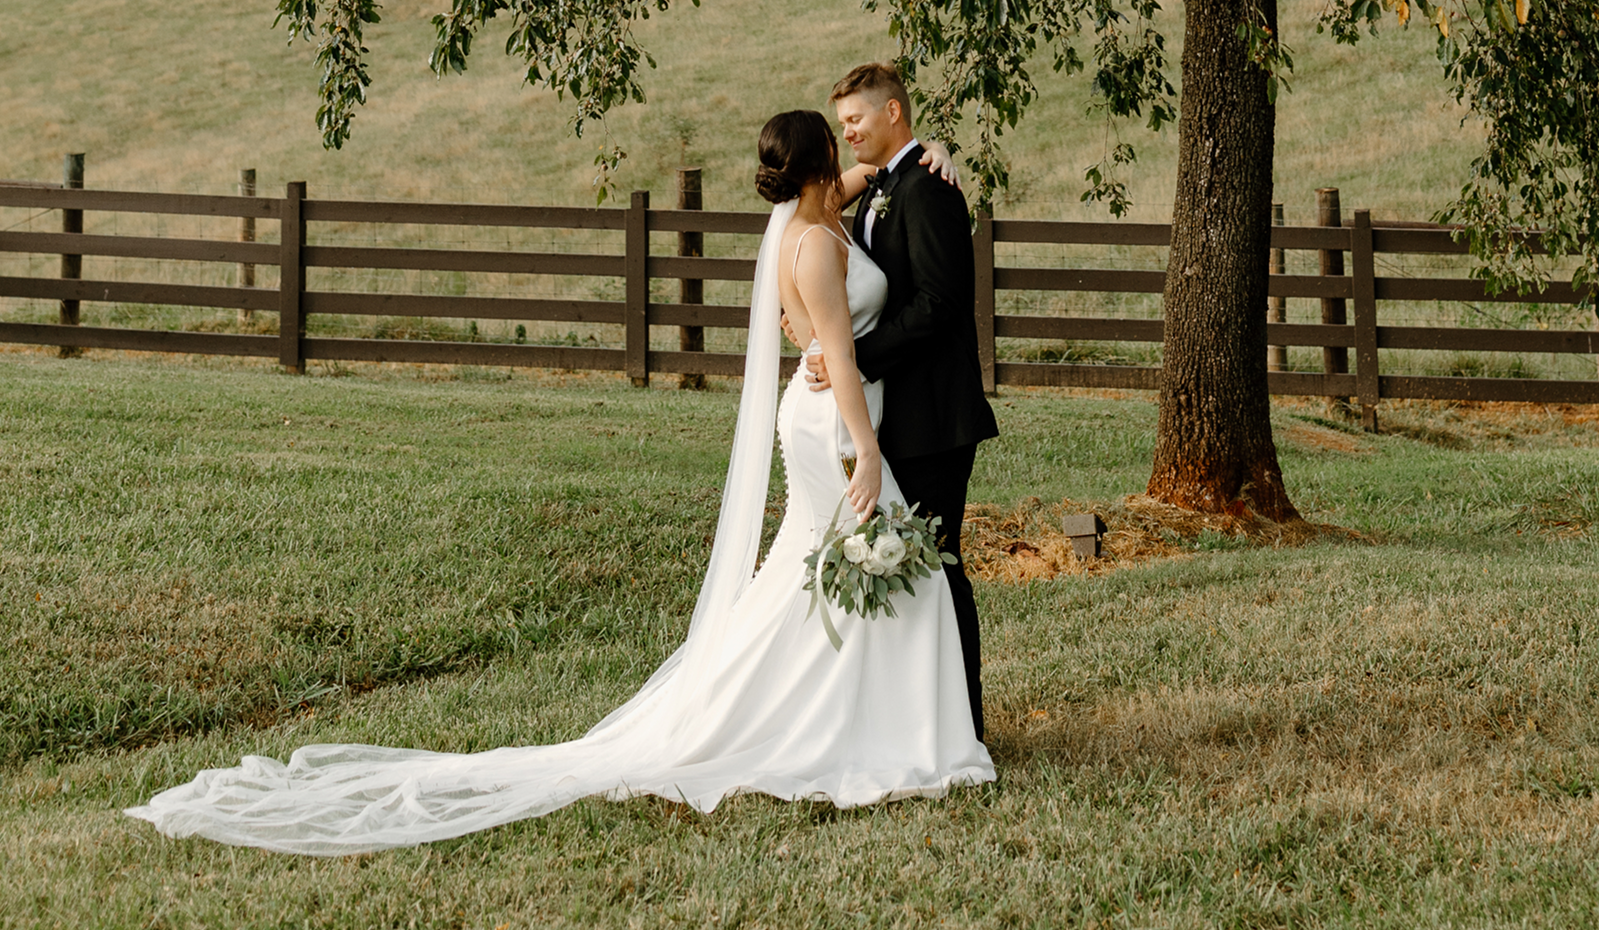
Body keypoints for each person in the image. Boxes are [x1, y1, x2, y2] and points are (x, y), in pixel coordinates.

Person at [122, 109, 993, 854]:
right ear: (816, 170)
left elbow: (866, 174)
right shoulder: (812, 249)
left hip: (820, 416)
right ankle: (856, 731)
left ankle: (865, 718)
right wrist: (868, 450)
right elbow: (836, 354)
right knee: (856, 569)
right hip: (835, 420)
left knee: (818, 578)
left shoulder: (811, 217)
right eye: (834, 148)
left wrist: (929, 147)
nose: (847, 157)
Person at [810, 61, 1001, 740]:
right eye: (841, 125)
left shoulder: (927, 191)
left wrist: (853, 360)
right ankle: (919, 722)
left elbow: (940, 307)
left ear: (894, 112)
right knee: (913, 571)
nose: (848, 134)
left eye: (856, 120)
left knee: (941, 570)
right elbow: (816, 199)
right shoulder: (892, 184)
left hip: (935, 419)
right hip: (900, 415)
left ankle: (963, 729)